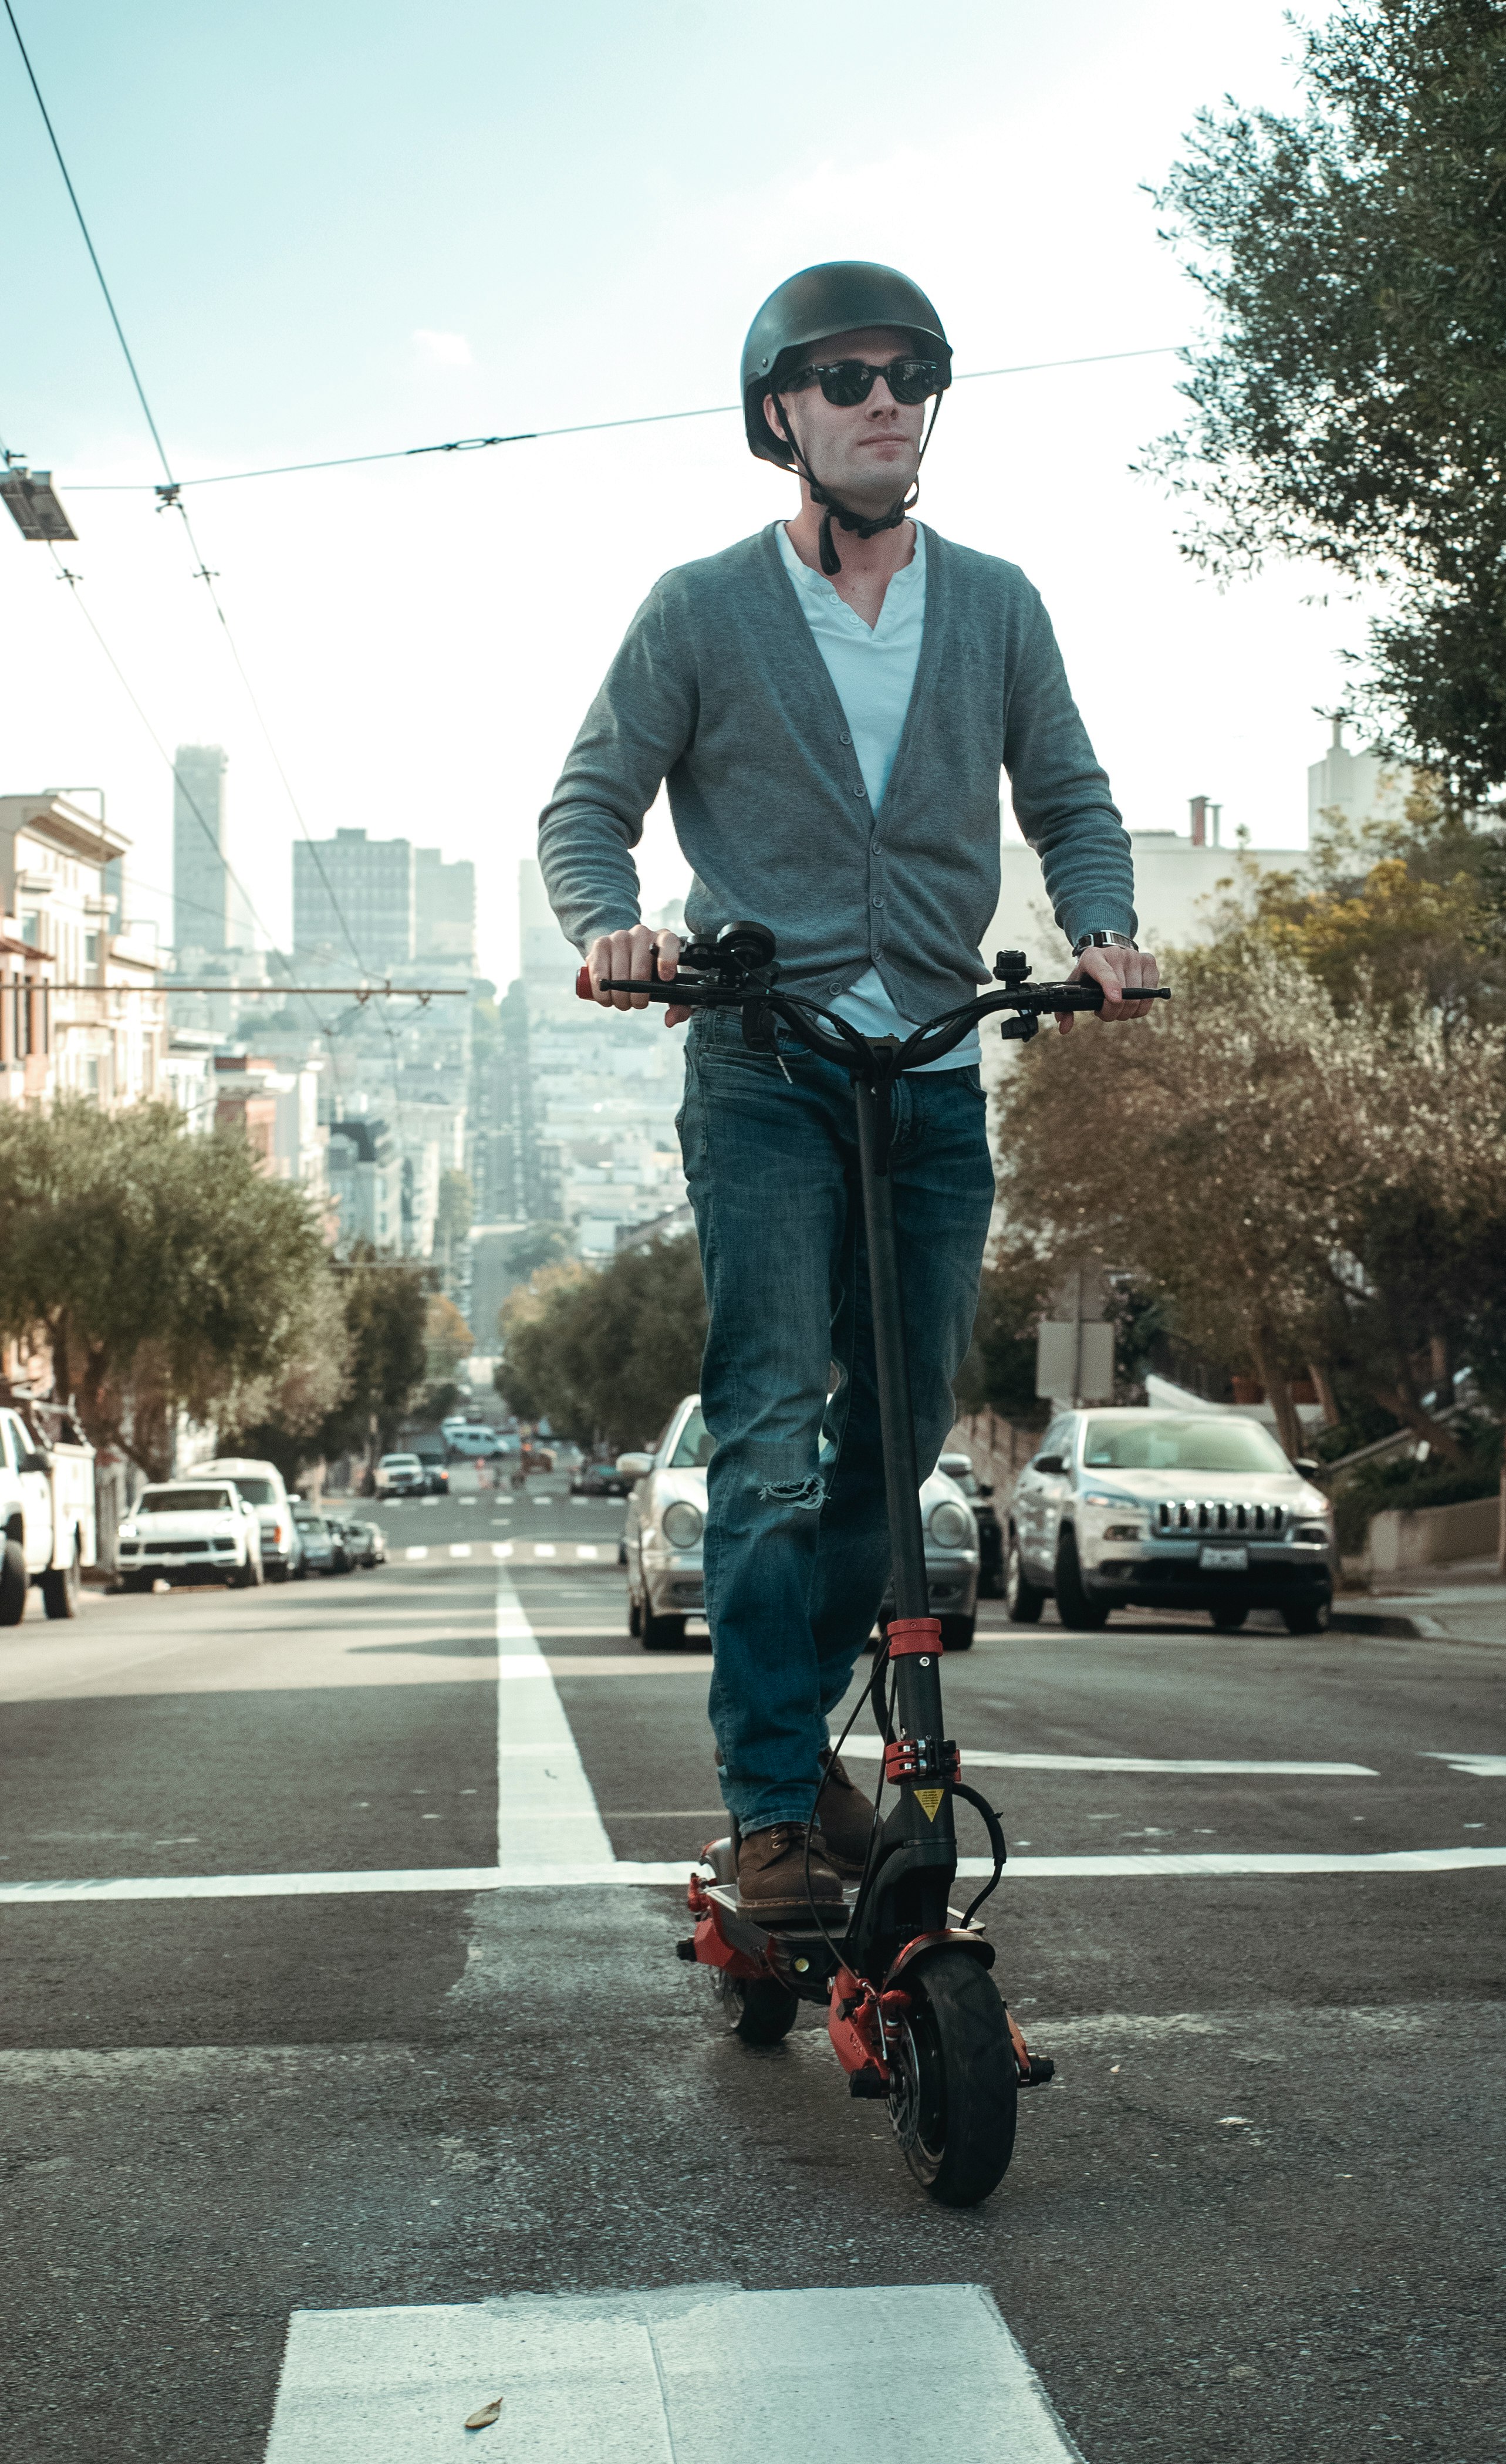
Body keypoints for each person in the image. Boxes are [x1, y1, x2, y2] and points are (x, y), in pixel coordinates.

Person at [539, 261, 1156, 1918]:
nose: (884, 399)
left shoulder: (1001, 604)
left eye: (905, 375)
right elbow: (586, 809)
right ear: (782, 418)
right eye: (845, 377)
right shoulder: (701, 607)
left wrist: (1101, 928)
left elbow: (1076, 802)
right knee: (766, 1445)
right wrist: (615, 933)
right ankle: (764, 1806)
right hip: (766, 1069)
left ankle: (792, 1742)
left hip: (937, 1067)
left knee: (899, 1455)